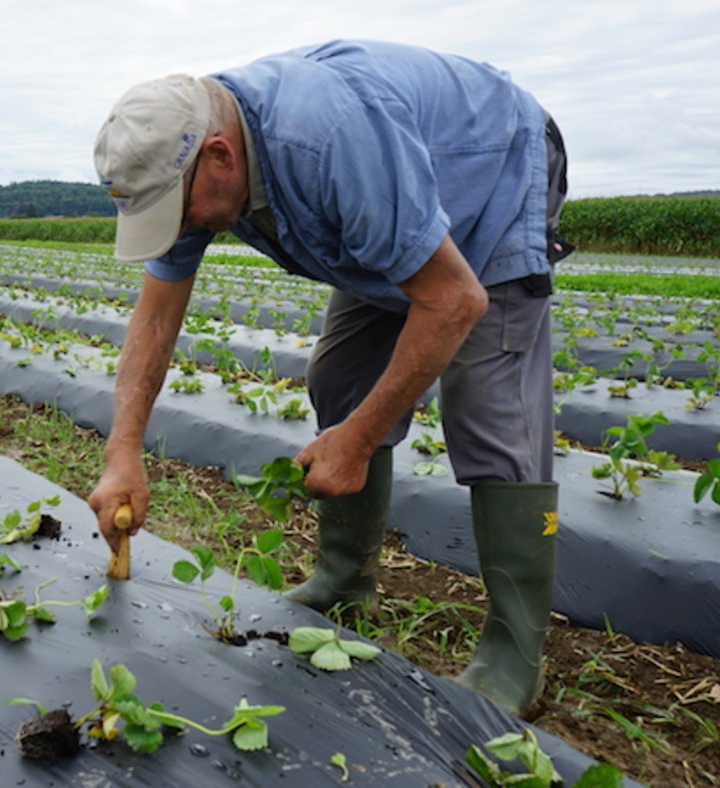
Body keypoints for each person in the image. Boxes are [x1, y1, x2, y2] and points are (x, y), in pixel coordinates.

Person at [88, 40, 572, 716]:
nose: (181, 228)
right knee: (342, 374)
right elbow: (157, 313)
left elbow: (455, 300)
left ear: (222, 156)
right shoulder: (194, 153)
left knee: (488, 409)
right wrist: (123, 451)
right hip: (396, 202)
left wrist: (360, 438)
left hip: (493, 170)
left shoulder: (325, 140)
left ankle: (515, 653)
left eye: (178, 210)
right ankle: (345, 581)